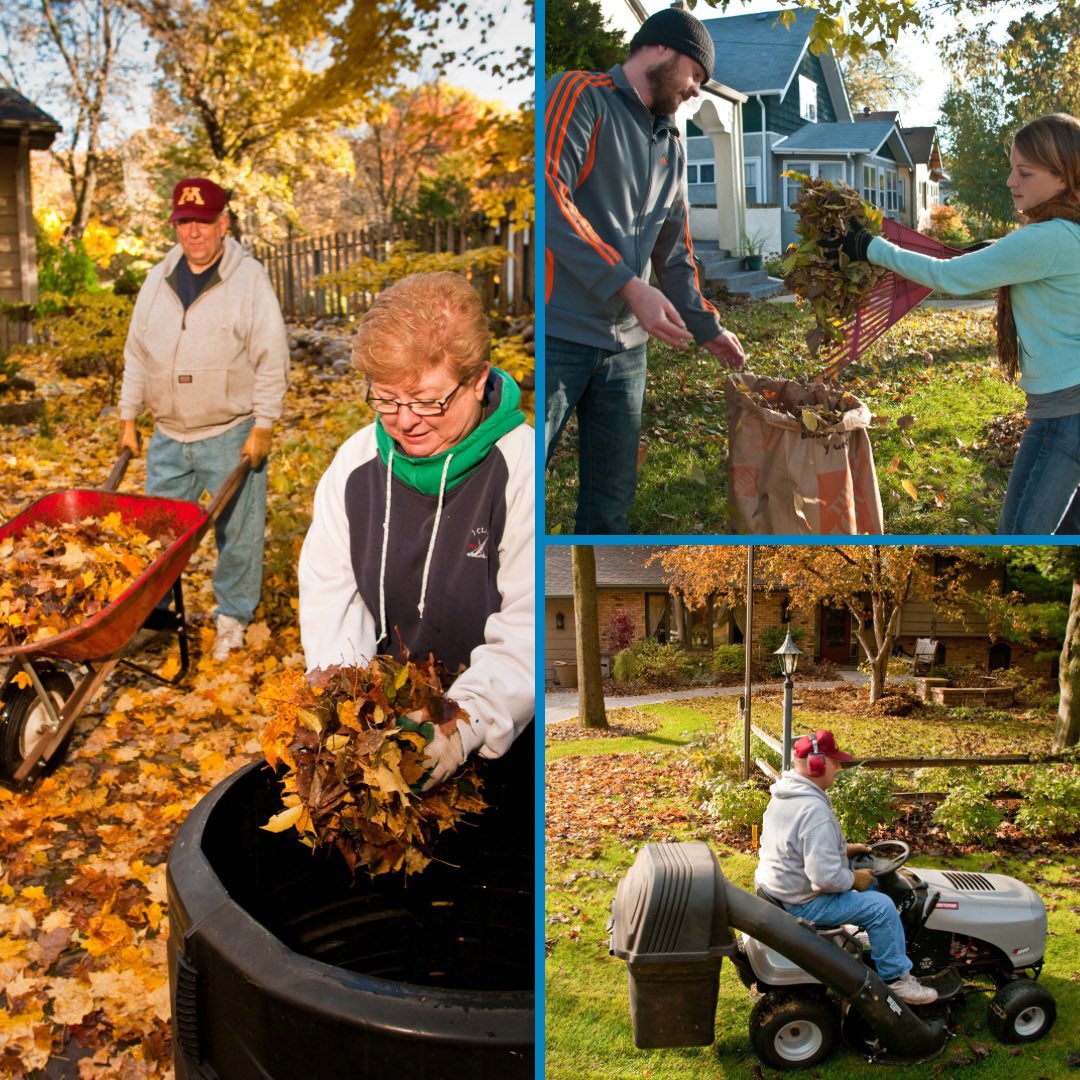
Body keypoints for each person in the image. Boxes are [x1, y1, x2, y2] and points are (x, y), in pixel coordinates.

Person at [297, 271, 534, 790]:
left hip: (498, 737)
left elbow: (528, 629)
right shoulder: (356, 463)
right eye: (385, 399)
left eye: (427, 401)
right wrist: (352, 705)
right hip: (386, 727)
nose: (404, 421)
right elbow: (332, 595)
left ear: (477, 380)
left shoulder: (522, 471)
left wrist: (459, 722)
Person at [545, 5, 746, 535]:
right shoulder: (579, 95)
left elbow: (674, 252)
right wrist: (628, 285)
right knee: (520, 489)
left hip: (626, 353)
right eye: (695, 74)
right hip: (556, 336)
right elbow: (546, 196)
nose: (696, 90)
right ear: (659, 48)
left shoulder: (673, 148)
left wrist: (708, 327)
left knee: (610, 506)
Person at [831, 112, 1080, 534]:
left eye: (1024, 172)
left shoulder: (1047, 238)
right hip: (1064, 406)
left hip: (1065, 415)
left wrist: (869, 247)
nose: (1010, 182)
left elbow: (951, 278)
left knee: (1019, 537)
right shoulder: (1065, 230)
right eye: (1011, 170)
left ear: (1063, 178)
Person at [118, 177, 289, 660]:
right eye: (185, 223)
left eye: (204, 222)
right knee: (156, 536)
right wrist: (129, 416)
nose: (194, 233)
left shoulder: (248, 279)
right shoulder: (158, 279)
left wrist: (264, 424)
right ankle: (153, 617)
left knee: (238, 534)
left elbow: (271, 356)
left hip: (229, 432)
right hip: (169, 436)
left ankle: (233, 616)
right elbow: (137, 353)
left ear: (223, 223)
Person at [754, 729, 938, 1006]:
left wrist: (843, 850)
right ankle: (897, 979)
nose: (839, 767)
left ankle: (885, 944)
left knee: (874, 883)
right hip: (804, 902)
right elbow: (825, 879)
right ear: (818, 764)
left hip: (784, 886)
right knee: (882, 907)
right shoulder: (813, 811)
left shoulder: (785, 796)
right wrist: (852, 879)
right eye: (835, 761)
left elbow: (796, 846)